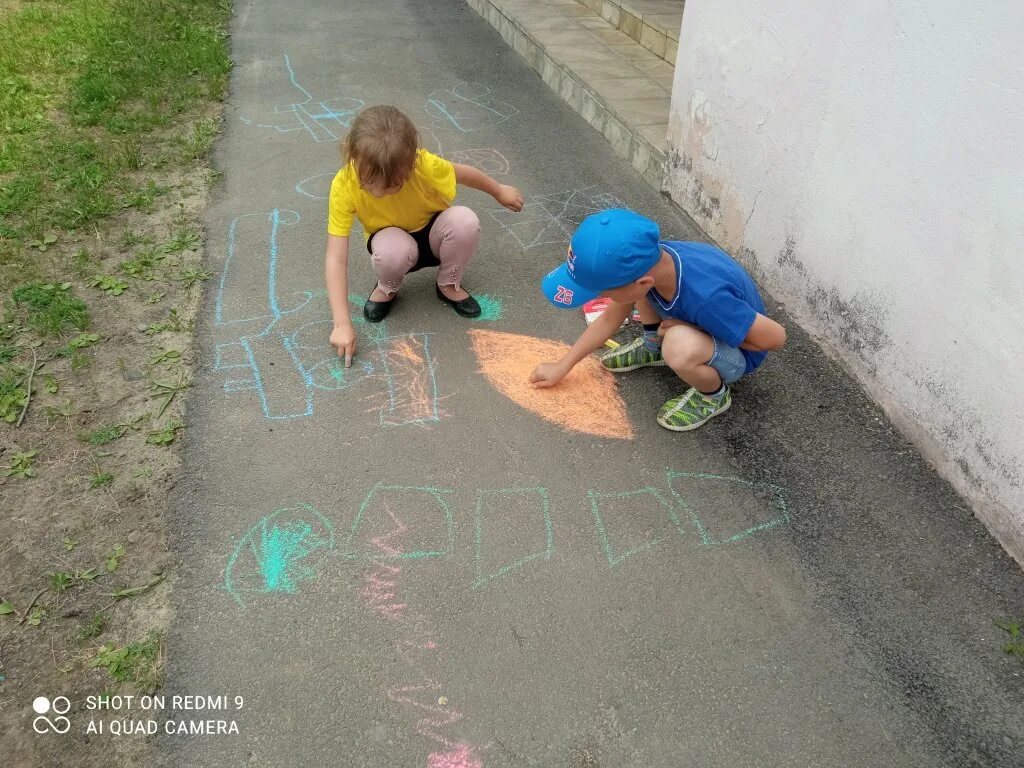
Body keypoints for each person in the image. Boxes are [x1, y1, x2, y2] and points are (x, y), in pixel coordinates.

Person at [530, 209, 786, 431]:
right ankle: (654, 346)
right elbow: (610, 320)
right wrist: (563, 366)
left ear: (642, 282)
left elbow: (775, 338)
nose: (601, 297)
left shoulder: (707, 298)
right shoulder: (651, 263)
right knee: (649, 306)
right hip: (701, 320)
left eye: (603, 292)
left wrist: (693, 327)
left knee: (678, 344)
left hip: (736, 351)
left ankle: (713, 395)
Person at [325, 105, 523, 366]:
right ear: (352, 157)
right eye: (369, 183)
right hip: (392, 244)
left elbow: (463, 173)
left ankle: (448, 285)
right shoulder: (344, 184)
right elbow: (336, 259)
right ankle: (387, 287)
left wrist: (498, 190)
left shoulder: (424, 165)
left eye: (393, 184)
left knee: (464, 221)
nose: (380, 192)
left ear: (411, 164)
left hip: (434, 236)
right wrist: (341, 323)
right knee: (391, 251)